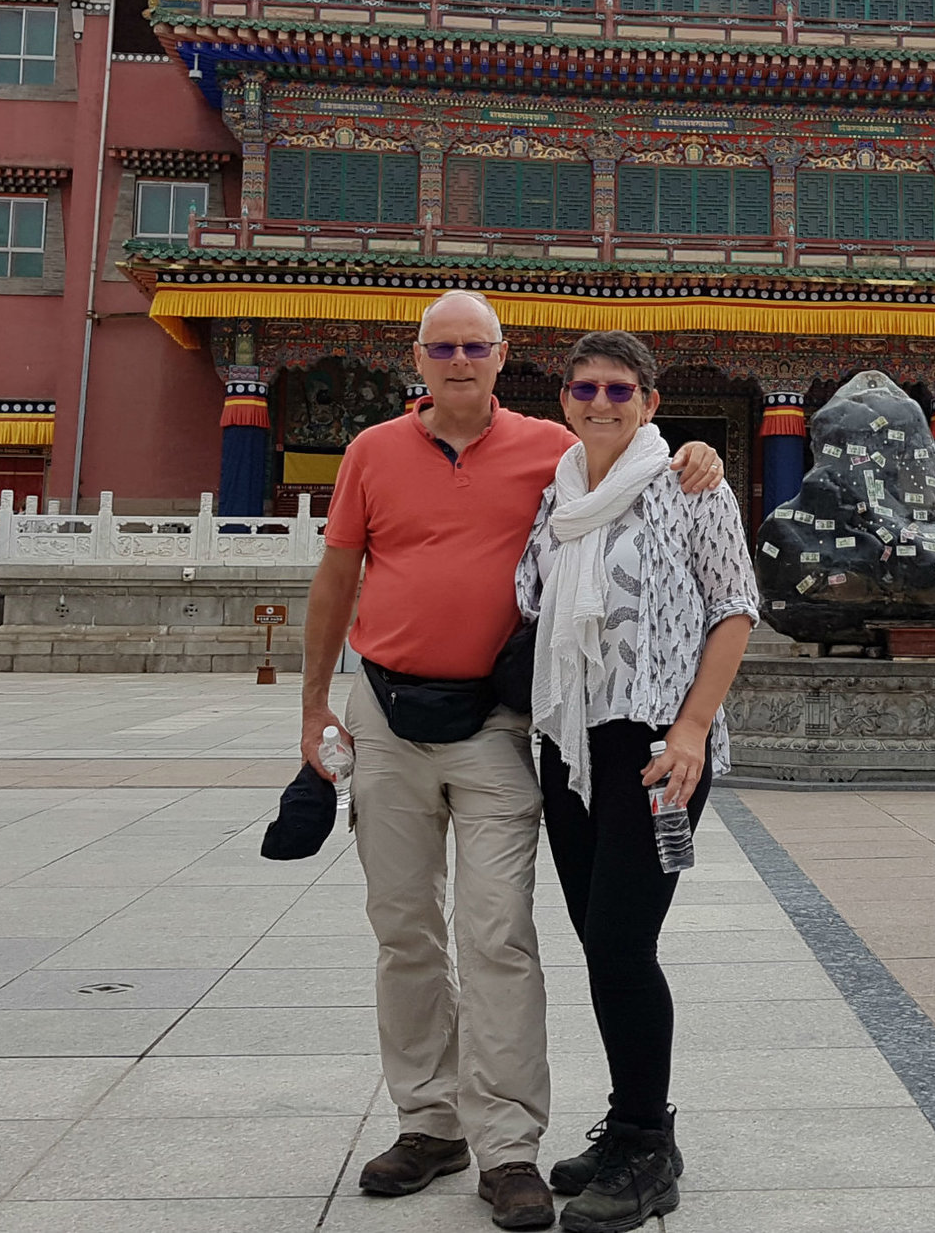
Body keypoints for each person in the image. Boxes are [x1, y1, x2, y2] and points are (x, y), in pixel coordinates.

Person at [302, 290, 724, 1232]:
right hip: (404, 715)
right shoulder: (377, 451)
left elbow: (689, 529)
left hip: (508, 728)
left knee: (502, 934)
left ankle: (510, 1146)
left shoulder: (556, 450)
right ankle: (428, 1122)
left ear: (503, 358)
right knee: (404, 929)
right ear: (417, 357)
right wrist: (313, 705)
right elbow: (336, 575)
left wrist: (703, 452)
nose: (458, 360)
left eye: (476, 346)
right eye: (441, 346)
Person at [517, 330, 756, 1232]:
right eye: (586, 387)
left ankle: (651, 1148)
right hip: (574, 745)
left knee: (623, 941)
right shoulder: (560, 495)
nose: (602, 402)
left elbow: (736, 609)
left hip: (658, 748)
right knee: (597, 938)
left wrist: (693, 726)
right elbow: (530, 600)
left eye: (622, 389)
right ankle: (627, 1124)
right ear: (566, 399)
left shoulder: (693, 484)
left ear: (651, 402)